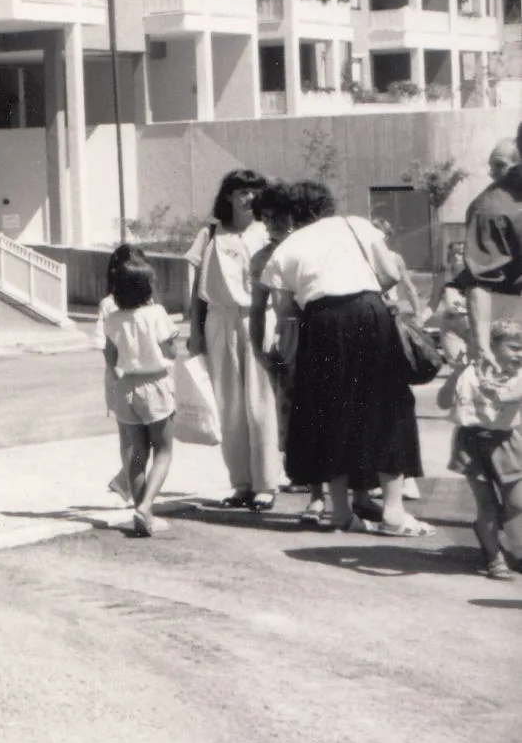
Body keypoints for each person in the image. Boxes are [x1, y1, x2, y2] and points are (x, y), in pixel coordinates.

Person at [259, 181, 430, 536]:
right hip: (370, 314)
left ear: (293, 214)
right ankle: (394, 514)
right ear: (328, 205)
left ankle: (340, 512)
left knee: (328, 412)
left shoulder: (284, 249)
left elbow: (284, 308)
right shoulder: (356, 225)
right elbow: (390, 274)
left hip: (320, 324)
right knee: (387, 408)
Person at [186, 169, 282, 512]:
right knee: (230, 406)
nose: (248, 197)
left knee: (261, 404)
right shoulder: (210, 232)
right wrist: (194, 330)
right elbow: (196, 287)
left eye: (254, 191)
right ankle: (241, 483)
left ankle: (267, 484)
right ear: (228, 195)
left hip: (259, 317)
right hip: (219, 319)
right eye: (241, 191)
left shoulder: (267, 232)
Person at [100, 245, 184, 536]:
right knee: (163, 450)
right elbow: (170, 349)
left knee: (135, 454)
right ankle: (146, 505)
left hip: (126, 386)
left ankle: (141, 511)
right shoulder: (157, 313)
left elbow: (110, 356)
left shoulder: (113, 318)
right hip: (155, 384)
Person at [439, 318, 522, 580]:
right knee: (487, 506)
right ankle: (493, 554)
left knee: (517, 503)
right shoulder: (470, 373)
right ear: (491, 346)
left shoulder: (520, 375)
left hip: (508, 442)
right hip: (472, 443)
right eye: (514, 347)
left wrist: (498, 395)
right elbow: (443, 402)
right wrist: (455, 374)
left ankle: (517, 548)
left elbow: (517, 396)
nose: (520, 354)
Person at [459, 139, 522, 355]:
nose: (492, 173)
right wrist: (483, 345)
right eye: (494, 165)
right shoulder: (490, 209)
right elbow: (480, 282)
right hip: (509, 316)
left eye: (499, 165)